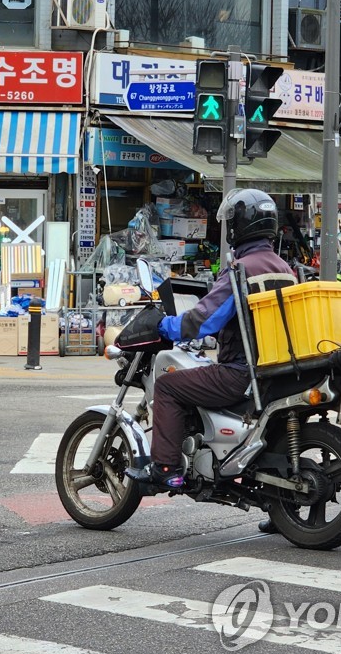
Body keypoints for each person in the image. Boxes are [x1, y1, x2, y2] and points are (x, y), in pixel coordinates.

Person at [125, 189, 294, 531]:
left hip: (240, 372)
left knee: (170, 386)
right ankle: (282, 506)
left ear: (236, 227)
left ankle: (166, 471)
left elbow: (203, 320)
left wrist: (165, 325)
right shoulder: (284, 268)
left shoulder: (240, 269)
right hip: (275, 371)